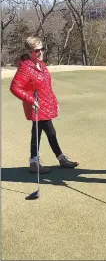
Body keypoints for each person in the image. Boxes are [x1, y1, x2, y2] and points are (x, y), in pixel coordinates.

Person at [10, 36, 79, 174]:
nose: (41, 52)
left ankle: (47, 159)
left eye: (42, 49)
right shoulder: (25, 68)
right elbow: (14, 88)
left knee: (46, 132)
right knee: (43, 132)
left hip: (45, 105)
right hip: (36, 106)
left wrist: (54, 102)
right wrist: (31, 99)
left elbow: (47, 87)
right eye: (37, 50)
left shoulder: (41, 65)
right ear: (29, 52)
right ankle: (42, 160)